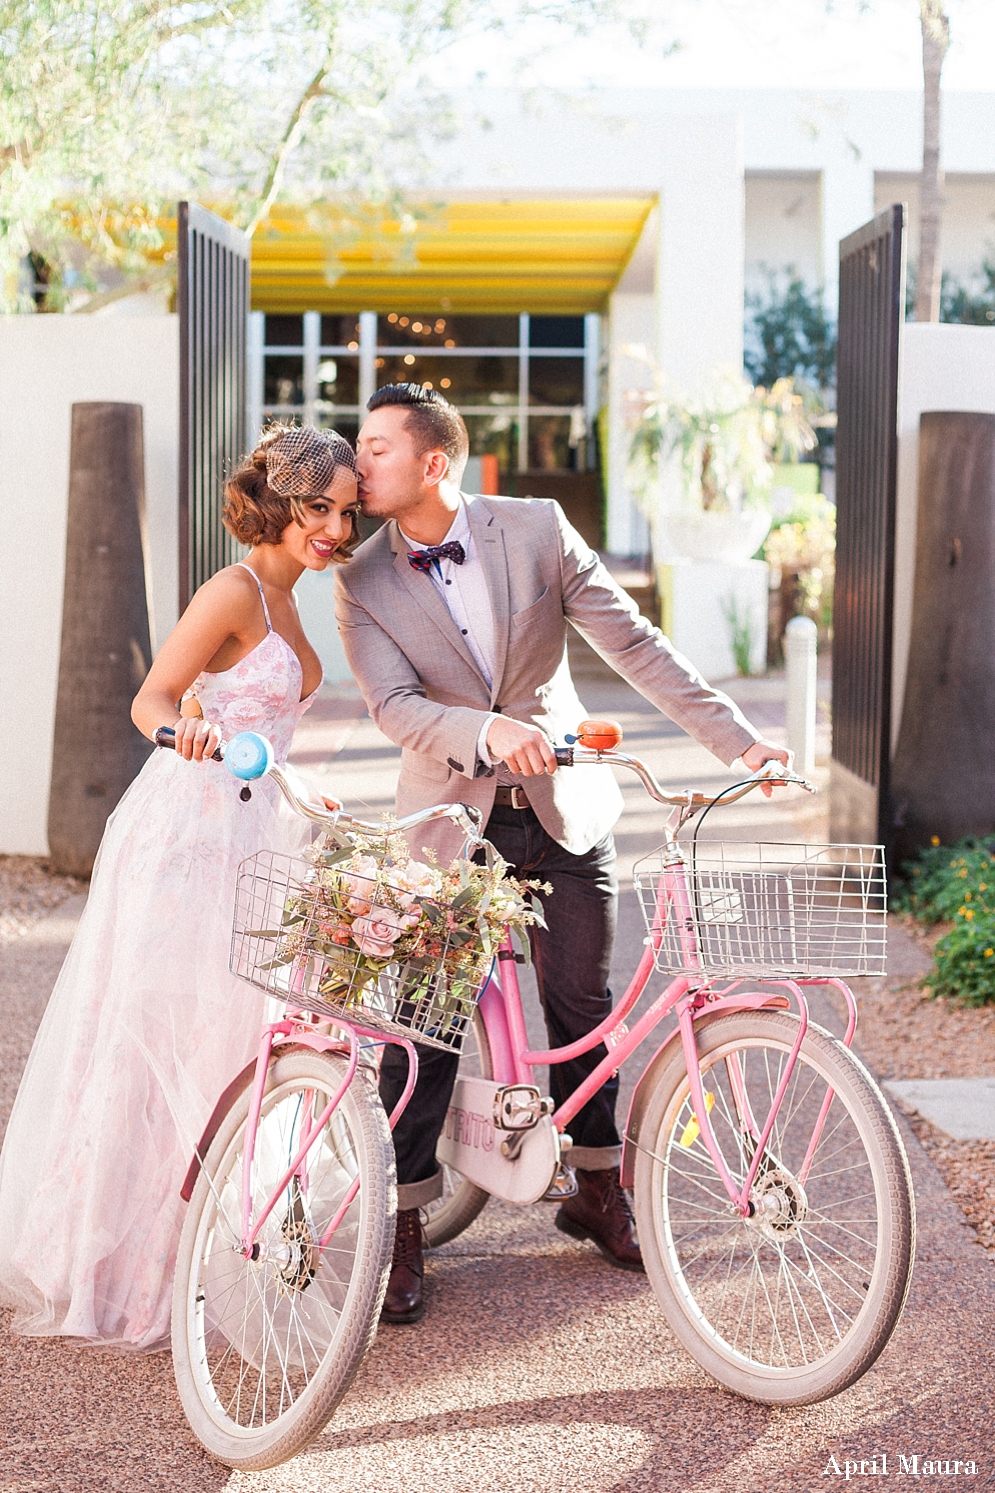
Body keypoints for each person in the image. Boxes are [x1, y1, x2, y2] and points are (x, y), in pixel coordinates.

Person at [335, 383, 790, 1326]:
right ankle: (402, 1220)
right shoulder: (360, 576)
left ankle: (595, 1187)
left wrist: (739, 742)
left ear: (433, 462)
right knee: (427, 1019)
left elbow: (635, 642)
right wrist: (486, 728)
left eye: (375, 445)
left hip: (562, 803)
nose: (358, 459)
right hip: (448, 817)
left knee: (584, 1000)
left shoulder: (537, 527)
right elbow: (393, 707)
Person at [0, 424, 358, 1351]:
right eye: (320, 508)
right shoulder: (232, 590)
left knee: (230, 1039)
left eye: (347, 512)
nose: (336, 529)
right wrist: (183, 734)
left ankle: (194, 1250)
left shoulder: (289, 598)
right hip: (187, 833)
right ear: (277, 501)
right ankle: (113, 1268)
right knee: (156, 1033)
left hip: (256, 830)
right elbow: (151, 698)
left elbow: (274, 718)